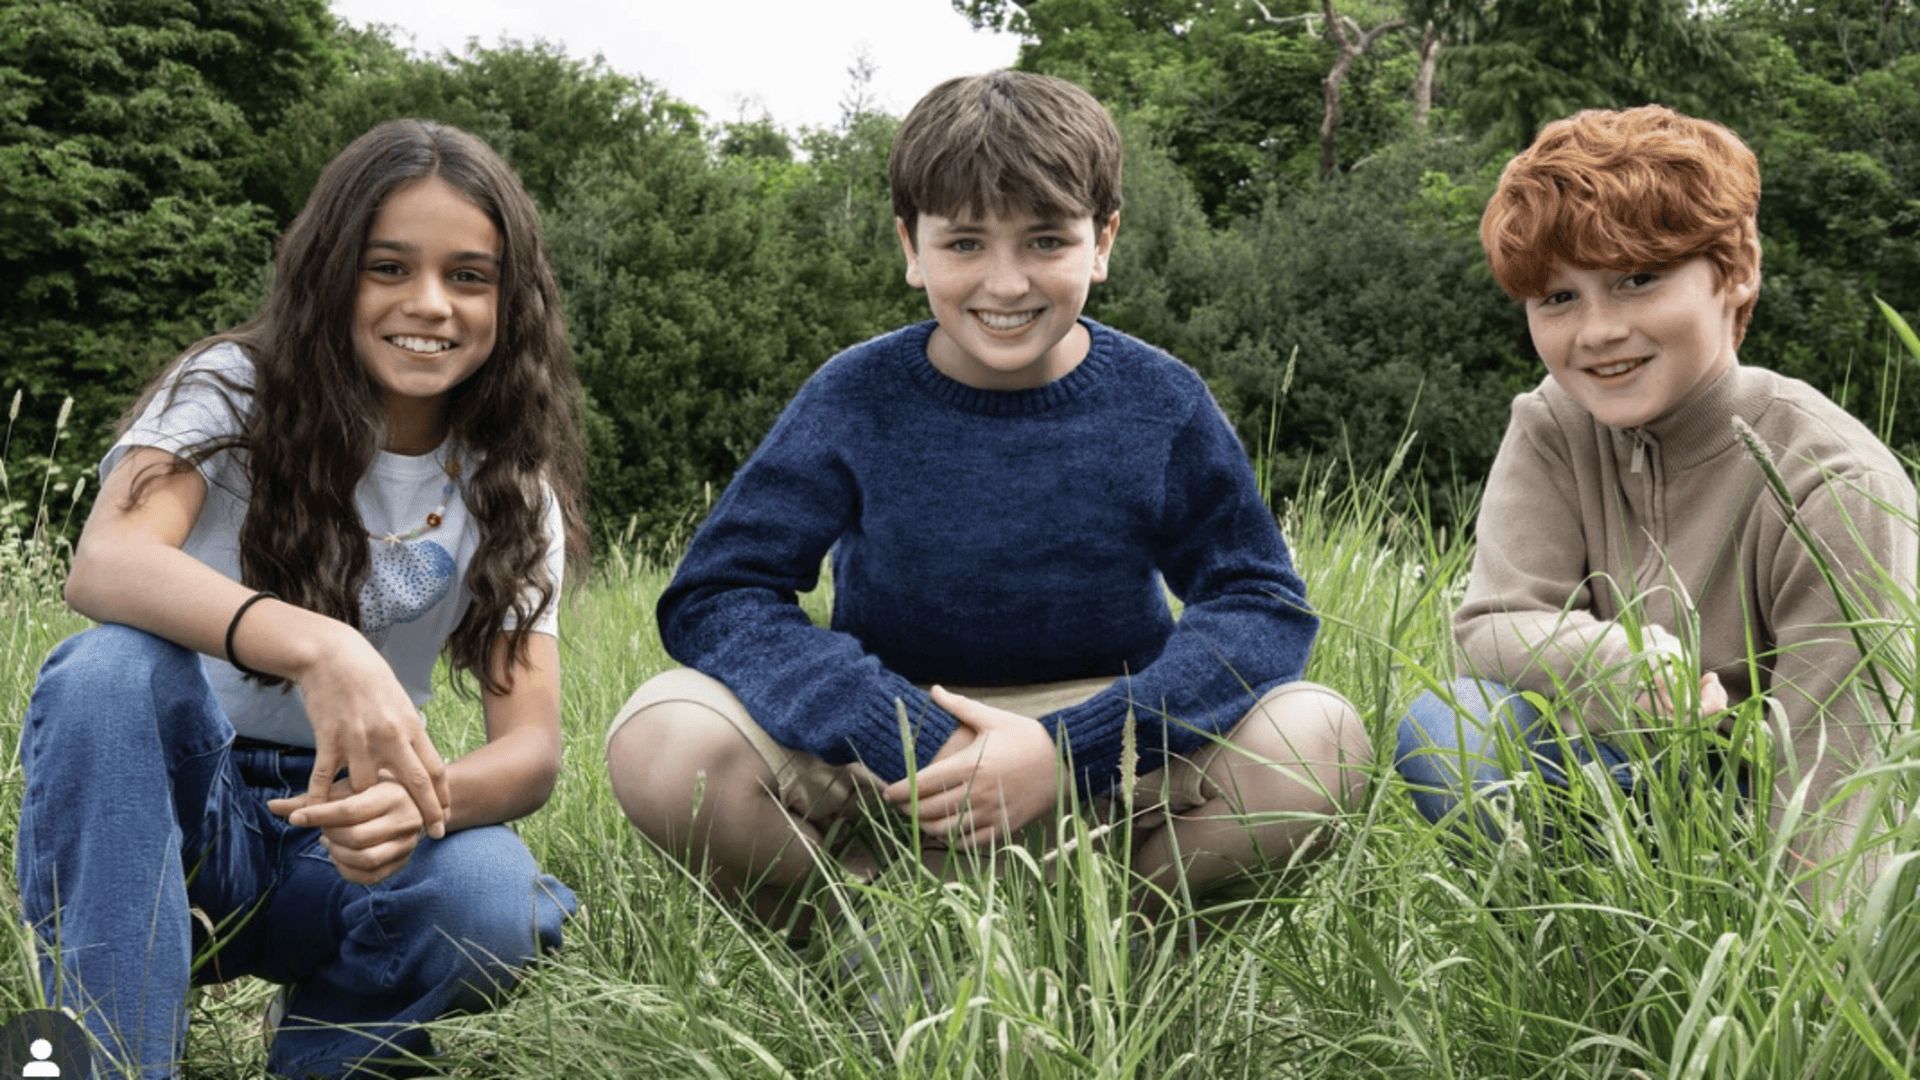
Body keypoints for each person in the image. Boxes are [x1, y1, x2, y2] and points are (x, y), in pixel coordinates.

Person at [605, 71, 1372, 930]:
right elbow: (718, 593)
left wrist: (1071, 750)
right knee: (663, 737)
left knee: (1322, 738)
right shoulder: (855, 396)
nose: (1005, 284)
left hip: (1108, 762)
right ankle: (876, 939)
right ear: (911, 245)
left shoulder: (1162, 401)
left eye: (1046, 240)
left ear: (1103, 240)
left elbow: (1259, 601)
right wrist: (892, 725)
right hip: (893, 762)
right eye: (965, 243)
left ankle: (1109, 947)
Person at [16, 118, 586, 1078]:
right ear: (330, 271)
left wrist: (421, 802)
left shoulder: (511, 488)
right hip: (169, 803)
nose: (430, 304)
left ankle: (327, 1051)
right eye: (388, 268)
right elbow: (105, 561)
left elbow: (530, 752)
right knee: (109, 669)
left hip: (345, 828)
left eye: (469, 276)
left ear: (511, 299)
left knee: (491, 890)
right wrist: (324, 646)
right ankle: (110, 1058)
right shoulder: (231, 388)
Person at [1394, 105, 1916, 908]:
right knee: (1449, 726)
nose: (1598, 331)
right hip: (1616, 774)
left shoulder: (1837, 482)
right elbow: (1493, 624)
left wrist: (1803, 957)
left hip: (1774, 806)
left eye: (1637, 280)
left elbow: (1840, 773)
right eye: (1558, 297)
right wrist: (1622, 663)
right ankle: (1572, 951)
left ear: (1736, 272)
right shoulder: (1553, 426)